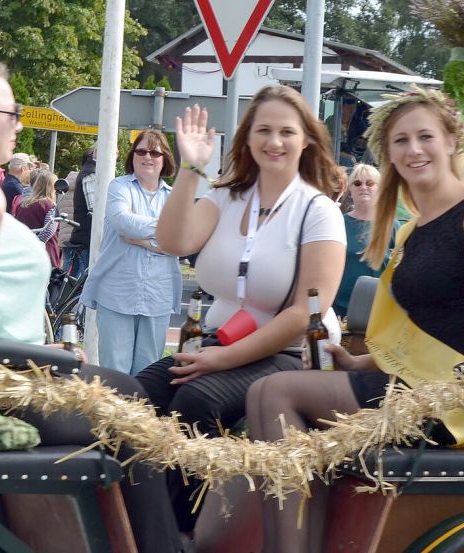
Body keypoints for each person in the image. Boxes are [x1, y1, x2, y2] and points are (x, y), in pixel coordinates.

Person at [0, 58, 184, 553]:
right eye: (10, 112)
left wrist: (44, 348)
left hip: (6, 373)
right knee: (137, 409)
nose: (19, 122)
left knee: (133, 393)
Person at [244, 88, 464, 553]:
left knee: (274, 393)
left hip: (456, 398)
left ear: (452, 141)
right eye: (401, 141)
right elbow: (421, 324)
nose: (413, 150)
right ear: (389, 155)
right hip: (409, 387)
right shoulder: (413, 227)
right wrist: (359, 365)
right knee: (270, 391)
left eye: (425, 137)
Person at [137, 85, 346, 538]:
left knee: (196, 401)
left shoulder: (318, 210)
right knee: (137, 395)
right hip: (223, 340)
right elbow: (173, 242)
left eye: (286, 132)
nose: (274, 141)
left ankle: (184, 533)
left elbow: (305, 312)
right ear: (247, 138)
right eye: (263, 130)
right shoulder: (226, 197)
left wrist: (220, 360)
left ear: (306, 139)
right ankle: (140, 525)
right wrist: (191, 167)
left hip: (293, 351)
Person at [79, 130, 181, 375]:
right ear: (132, 156)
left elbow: (182, 240)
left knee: (148, 374)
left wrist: (145, 241)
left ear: (165, 158)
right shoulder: (119, 186)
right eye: (141, 151)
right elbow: (123, 222)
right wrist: (166, 230)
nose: (148, 157)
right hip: (117, 292)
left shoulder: (174, 197)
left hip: (158, 295)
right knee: (115, 374)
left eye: (155, 152)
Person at [333, 163, 400, 317]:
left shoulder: (391, 225)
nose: (363, 187)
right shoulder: (337, 222)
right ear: (350, 188)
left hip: (380, 310)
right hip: (341, 310)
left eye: (370, 183)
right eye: (357, 183)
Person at [15, 168, 62, 269]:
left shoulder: (23, 204)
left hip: (24, 250)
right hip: (44, 253)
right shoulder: (50, 206)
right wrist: (37, 245)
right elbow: (48, 231)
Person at [65, 148, 95, 277]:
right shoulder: (91, 174)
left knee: (71, 283)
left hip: (77, 236)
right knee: (80, 285)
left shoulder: (86, 172)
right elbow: (95, 211)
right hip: (86, 239)